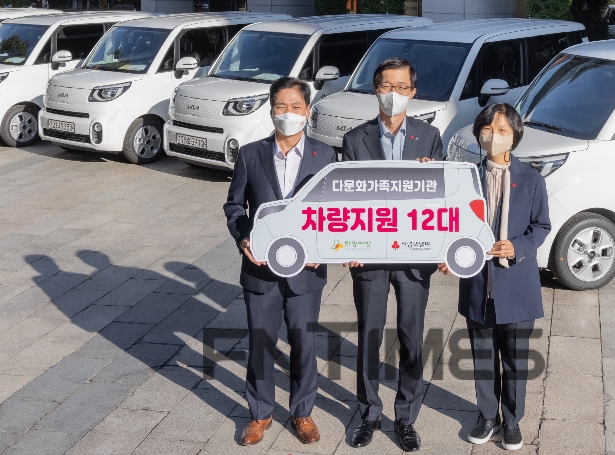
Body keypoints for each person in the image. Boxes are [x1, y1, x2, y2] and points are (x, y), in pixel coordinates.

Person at [223, 77, 338, 447]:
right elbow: (234, 205)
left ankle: (302, 412)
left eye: (296, 107)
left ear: (308, 111)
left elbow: (334, 212)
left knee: (304, 343)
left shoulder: (326, 157)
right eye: (281, 106)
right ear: (271, 109)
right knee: (261, 343)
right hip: (261, 270)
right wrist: (243, 237)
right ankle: (260, 414)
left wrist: (325, 249)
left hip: (306, 272)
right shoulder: (251, 154)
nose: (288, 114)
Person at [341, 57, 444, 452]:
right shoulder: (355, 139)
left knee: (411, 336)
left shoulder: (429, 136)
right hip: (369, 254)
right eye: (386, 86)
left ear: (413, 93)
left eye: (402, 87)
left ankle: (406, 416)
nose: (393, 94)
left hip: (414, 256)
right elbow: (344, 198)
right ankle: (369, 413)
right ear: (375, 90)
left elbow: (441, 198)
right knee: (368, 333)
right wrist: (349, 244)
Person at [439, 103, 549, 451]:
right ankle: (487, 415)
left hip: (516, 284)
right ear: (478, 133)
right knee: (483, 356)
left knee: (516, 359)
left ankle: (512, 419)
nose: (494, 136)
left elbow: (541, 225)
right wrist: (447, 255)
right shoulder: (465, 179)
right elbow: (449, 226)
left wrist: (516, 246)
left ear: (515, 135)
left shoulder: (531, 179)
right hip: (478, 284)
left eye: (502, 130)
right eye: (488, 129)